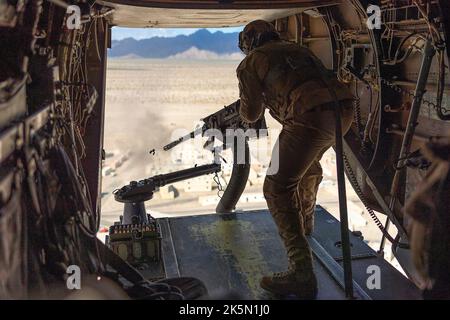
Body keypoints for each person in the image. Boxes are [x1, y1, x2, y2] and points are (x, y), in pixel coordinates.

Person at [236, 20, 354, 298]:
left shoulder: (250, 63)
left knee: (277, 187)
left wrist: (245, 108)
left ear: (249, 42)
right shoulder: (297, 49)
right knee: (307, 166)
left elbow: (251, 114)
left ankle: (301, 272)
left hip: (309, 115)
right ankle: (306, 223)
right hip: (343, 111)